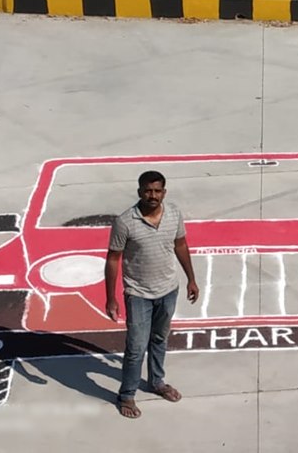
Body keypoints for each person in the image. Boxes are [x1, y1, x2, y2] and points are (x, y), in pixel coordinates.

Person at [104, 170, 199, 419]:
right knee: (136, 348)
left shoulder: (174, 213)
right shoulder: (125, 222)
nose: (153, 195)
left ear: (164, 192)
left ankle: (156, 382)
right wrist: (111, 298)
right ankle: (126, 395)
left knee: (159, 339)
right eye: (148, 191)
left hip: (168, 290)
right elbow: (113, 259)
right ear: (139, 192)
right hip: (138, 294)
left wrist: (191, 279)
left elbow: (180, 245)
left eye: (157, 191)